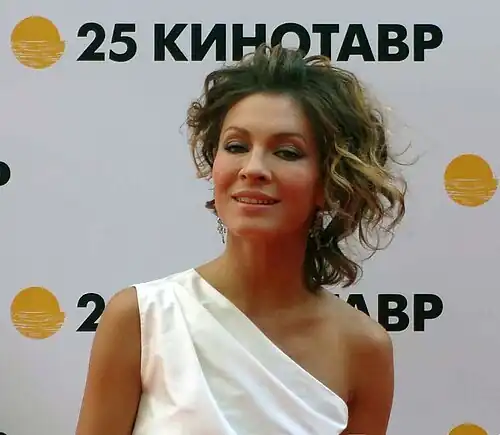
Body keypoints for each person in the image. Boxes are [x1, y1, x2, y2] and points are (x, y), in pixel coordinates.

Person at [75, 43, 406, 435]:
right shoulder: (141, 318)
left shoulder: (363, 348)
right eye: (236, 146)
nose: (253, 168)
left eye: (287, 152)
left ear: (330, 181)